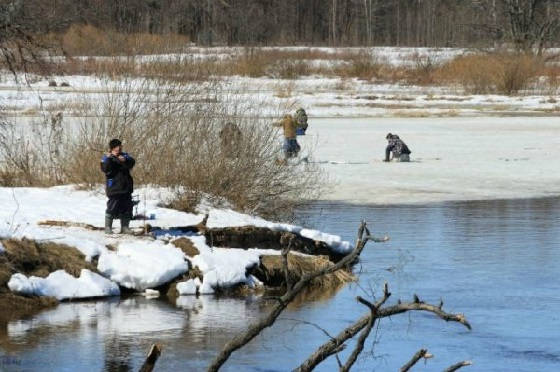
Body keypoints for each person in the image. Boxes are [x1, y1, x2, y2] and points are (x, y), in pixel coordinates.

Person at [100, 139, 136, 234]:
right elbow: (105, 168)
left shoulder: (125, 155)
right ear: (112, 148)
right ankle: (108, 227)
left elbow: (132, 162)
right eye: (116, 146)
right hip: (114, 187)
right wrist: (108, 159)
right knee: (112, 207)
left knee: (127, 207)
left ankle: (125, 227)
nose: (118, 148)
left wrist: (125, 160)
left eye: (120, 146)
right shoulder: (106, 157)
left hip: (126, 187)